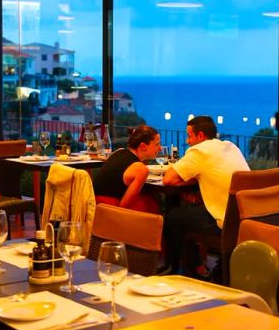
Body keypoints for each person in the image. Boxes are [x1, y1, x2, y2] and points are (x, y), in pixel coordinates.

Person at [162, 115, 249, 277]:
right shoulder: (231, 146)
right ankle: (210, 269)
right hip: (246, 217)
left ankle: (195, 269)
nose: (187, 141)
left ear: (200, 136)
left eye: (189, 136)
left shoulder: (199, 151)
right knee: (190, 212)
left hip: (225, 221)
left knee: (174, 217)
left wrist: (189, 179)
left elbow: (168, 179)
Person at [92, 125, 160, 213]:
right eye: (157, 144)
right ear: (143, 146)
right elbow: (124, 207)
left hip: (94, 208)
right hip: (109, 213)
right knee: (151, 203)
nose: (160, 148)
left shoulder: (118, 152)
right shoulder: (141, 169)